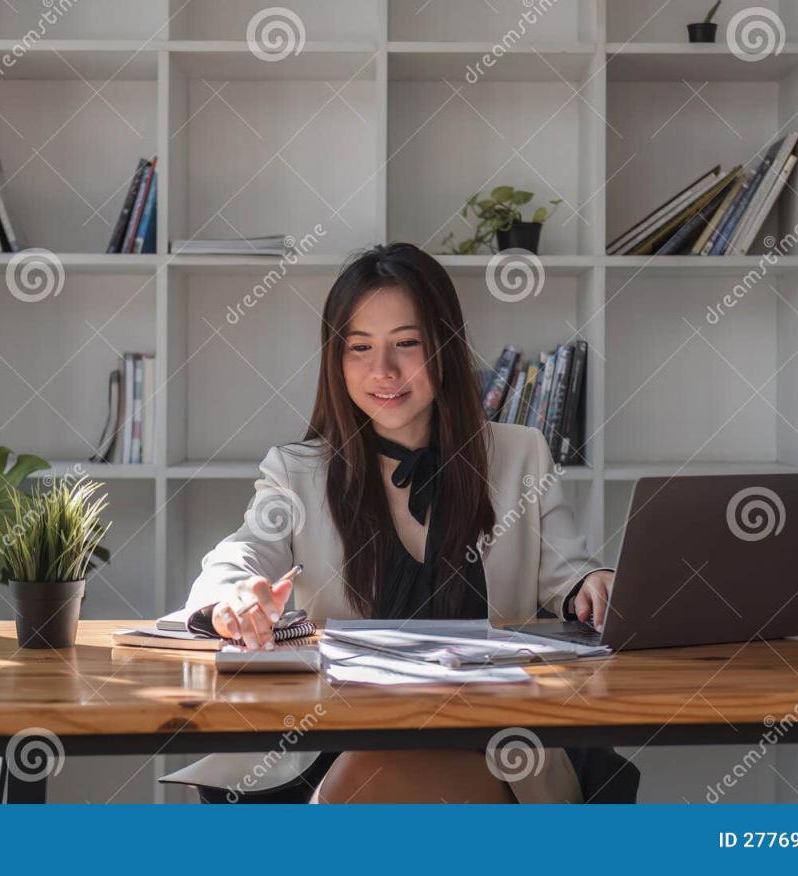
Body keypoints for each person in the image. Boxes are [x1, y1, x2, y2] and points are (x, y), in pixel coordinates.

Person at [175, 243, 639, 803]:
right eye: (360, 348)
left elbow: (569, 573)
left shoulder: (522, 455)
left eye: (406, 344)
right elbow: (238, 556)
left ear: (444, 346)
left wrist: (592, 585)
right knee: (371, 768)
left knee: (381, 776)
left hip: (494, 744)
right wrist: (232, 599)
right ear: (335, 359)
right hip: (336, 734)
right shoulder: (298, 472)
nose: (383, 371)